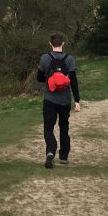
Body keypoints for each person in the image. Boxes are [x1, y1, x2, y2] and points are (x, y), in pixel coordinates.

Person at [37, 33, 80, 168]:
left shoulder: (45, 58)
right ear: (63, 44)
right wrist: (77, 101)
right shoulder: (70, 59)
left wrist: (49, 78)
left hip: (49, 99)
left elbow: (39, 78)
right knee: (64, 127)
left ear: (50, 43)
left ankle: (50, 151)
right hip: (65, 100)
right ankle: (63, 156)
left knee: (48, 127)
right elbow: (73, 82)